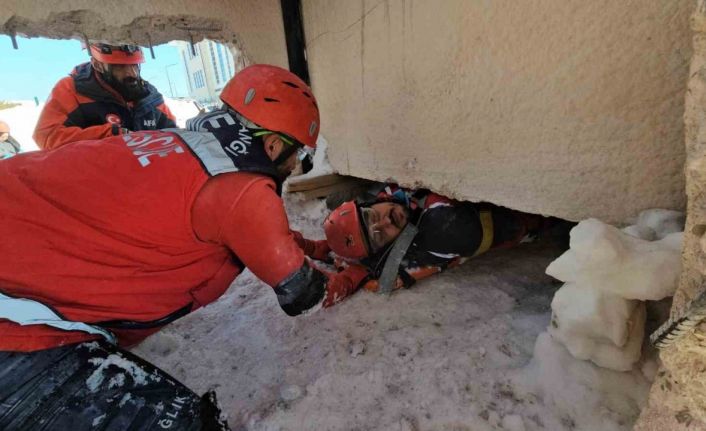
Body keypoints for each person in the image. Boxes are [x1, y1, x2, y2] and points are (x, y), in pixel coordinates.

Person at [0, 64, 367, 429]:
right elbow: (306, 293)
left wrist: (318, 248)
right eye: (299, 157)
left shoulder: (182, 143)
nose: (297, 167)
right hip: (14, 316)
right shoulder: (243, 191)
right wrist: (354, 275)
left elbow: (256, 232)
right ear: (273, 145)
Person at [324, 184, 551, 292]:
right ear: (389, 247)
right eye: (379, 234)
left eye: (374, 215)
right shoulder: (439, 231)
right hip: (536, 213)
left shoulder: (391, 203)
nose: (387, 221)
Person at [33, 43, 176, 150]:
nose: (131, 74)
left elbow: (176, 136)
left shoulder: (150, 97)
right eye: (120, 67)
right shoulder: (72, 90)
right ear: (98, 65)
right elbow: (46, 137)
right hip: (95, 181)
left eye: (134, 65)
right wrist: (111, 135)